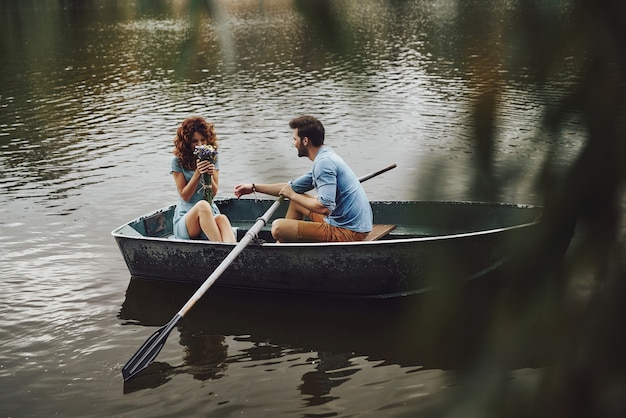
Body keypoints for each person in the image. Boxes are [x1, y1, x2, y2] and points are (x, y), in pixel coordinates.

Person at [233, 115, 373, 243]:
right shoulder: (325, 156)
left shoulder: (323, 164)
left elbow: (324, 207)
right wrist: (253, 187)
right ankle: (285, 248)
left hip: (350, 232)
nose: (293, 143)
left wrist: (292, 194)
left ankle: (282, 251)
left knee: (278, 228)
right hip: (347, 223)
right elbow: (290, 188)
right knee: (296, 202)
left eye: (295, 139)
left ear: (305, 141)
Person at [171, 116, 236, 242]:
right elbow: (185, 196)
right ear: (187, 142)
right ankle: (220, 249)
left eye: (203, 140)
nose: (200, 145)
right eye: (195, 141)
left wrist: (208, 175)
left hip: (210, 214)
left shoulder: (212, 157)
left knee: (222, 218)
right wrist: (197, 174)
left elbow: (214, 193)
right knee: (203, 205)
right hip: (187, 217)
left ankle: (231, 254)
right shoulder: (177, 161)